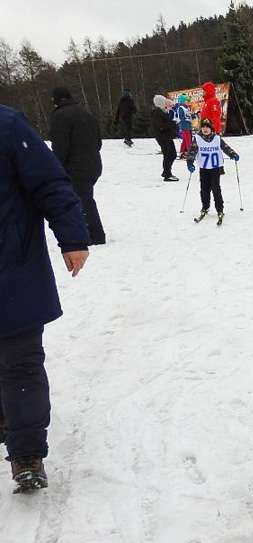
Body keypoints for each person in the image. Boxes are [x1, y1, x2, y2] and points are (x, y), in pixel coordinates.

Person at [0, 105, 91, 493]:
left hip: (10, 269)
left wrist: (72, 237)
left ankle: (27, 453)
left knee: (20, 364)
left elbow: (50, 183)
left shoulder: (7, 125)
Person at [48, 87, 106, 246]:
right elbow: (98, 142)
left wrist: (56, 166)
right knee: (84, 197)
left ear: (56, 100)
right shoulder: (86, 114)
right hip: (93, 163)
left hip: (76, 167)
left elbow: (60, 146)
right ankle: (87, 230)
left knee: (83, 200)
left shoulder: (60, 116)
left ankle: (95, 235)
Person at [186, 118, 239, 225]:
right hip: (204, 168)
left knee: (216, 188)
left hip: (215, 168)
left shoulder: (217, 138)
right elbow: (192, 151)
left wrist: (233, 154)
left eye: (207, 127)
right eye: (203, 127)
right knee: (204, 189)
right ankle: (205, 207)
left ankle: (220, 208)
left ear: (211, 128)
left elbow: (226, 148)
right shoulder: (197, 139)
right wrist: (190, 163)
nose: (205, 129)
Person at [151, 95, 178, 182]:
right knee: (168, 155)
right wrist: (172, 124)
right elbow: (160, 126)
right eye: (164, 101)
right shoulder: (157, 113)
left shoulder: (162, 112)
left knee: (173, 154)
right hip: (163, 137)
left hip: (167, 137)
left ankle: (166, 171)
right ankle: (167, 174)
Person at [175, 94, 193, 160]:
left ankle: (182, 153)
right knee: (188, 140)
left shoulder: (187, 107)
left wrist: (195, 115)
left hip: (188, 126)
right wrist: (186, 119)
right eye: (186, 100)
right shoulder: (181, 108)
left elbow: (189, 116)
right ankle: (190, 153)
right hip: (184, 126)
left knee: (185, 141)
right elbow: (181, 117)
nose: (187, 101)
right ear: (183, 101)